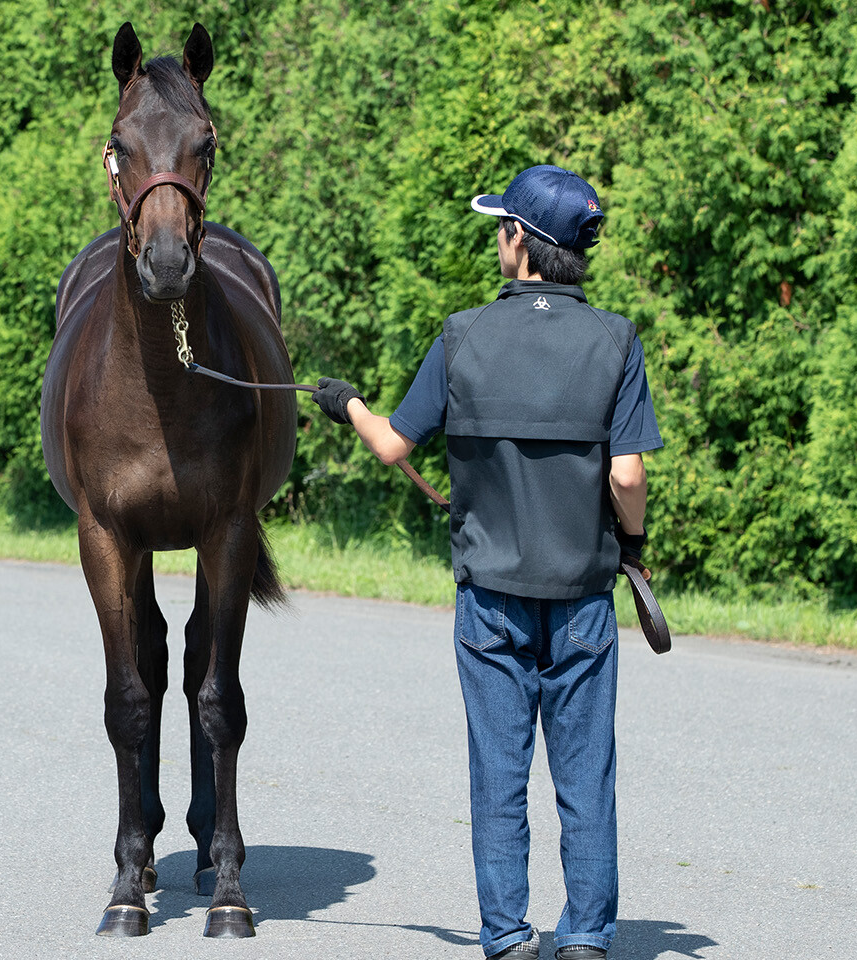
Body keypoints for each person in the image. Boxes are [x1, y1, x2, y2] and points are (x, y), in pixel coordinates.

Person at [311, 165, 662, 960]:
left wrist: (347, 403)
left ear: (520, 241)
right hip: (581, 600)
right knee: (586, 777)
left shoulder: (462, 335)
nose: (497, 239)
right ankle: (585, 938)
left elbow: (395, 445)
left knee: (499, 775)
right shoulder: (616, 340)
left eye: (500, 226)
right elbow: (629, 475)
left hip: (490, 602)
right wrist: (631, 547)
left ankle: (507, 935)